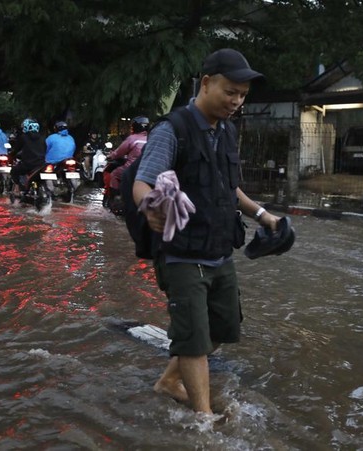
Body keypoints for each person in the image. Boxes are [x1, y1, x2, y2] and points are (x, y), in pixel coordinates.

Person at [132, 48, 280, 414]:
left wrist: (263, 215)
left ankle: (168, 381)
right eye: (230, 91)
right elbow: (143, 183)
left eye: (243, 95)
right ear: (207, 83)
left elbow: (229, 189)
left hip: (218, 251)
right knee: (194, 342)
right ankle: (204, 422)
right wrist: (152, 206)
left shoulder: (227, 132)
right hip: (181, 255)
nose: (236, 101)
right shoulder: (173, 129)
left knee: (222, 327)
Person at [106, 116, 149, 194]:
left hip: (132, 168)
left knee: (114, 174)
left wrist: (111, 156)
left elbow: (118, 152)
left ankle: (115, 198)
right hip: (146, 169)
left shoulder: (132, 138)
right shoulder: (150, 138)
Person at [10, 118, 47, 191]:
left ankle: (16, 189)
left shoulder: (23, 137)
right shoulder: (43, 138)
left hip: (28, 165)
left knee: (14, 170)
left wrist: (11, 155)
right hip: (41, 165)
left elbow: (16, 150)